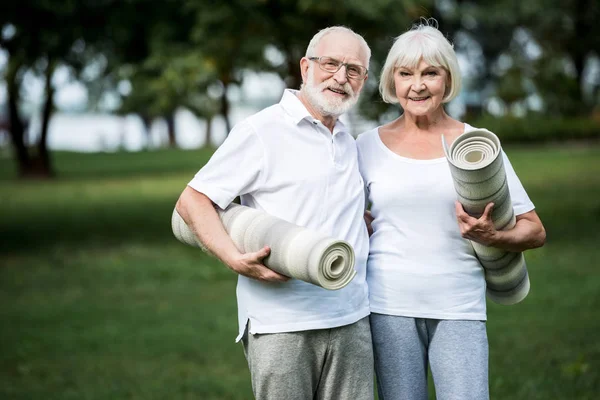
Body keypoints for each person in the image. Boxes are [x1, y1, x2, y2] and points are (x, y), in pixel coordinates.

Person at [176, 26, 374, 400]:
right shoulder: (262, 130)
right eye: (330, 64)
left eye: (353, 70)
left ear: (363, 80)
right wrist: (234, 257)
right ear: (305, 67)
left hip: (352, 319)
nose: (340, 77)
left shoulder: (349, 140)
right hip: (282, 322)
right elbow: (193, 200)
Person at [356, 21, 546, 400]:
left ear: (448, 79)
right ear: (393, 81)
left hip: (459, 305)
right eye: (405, 73)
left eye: (430, 73)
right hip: (387, 305)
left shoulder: (473, 146)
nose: (418, 85)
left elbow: (535, 230)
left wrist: (493, 236)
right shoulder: (366, 145)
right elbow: (353, 218)